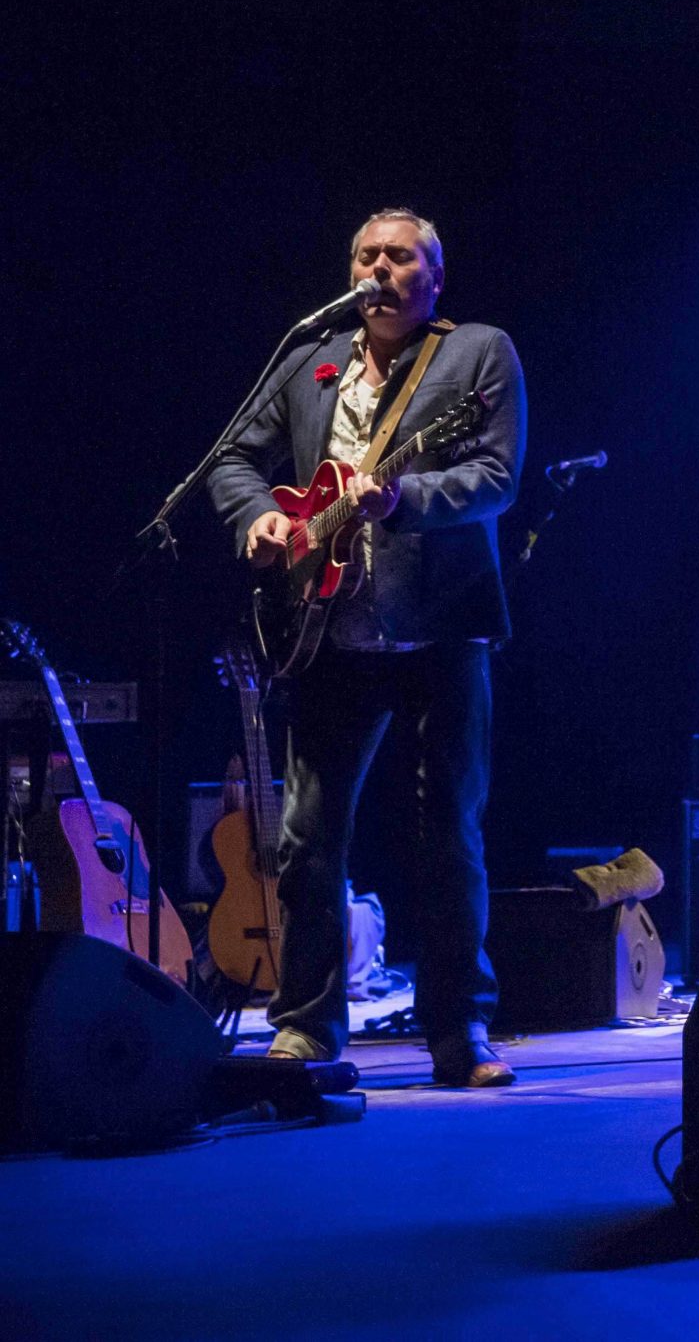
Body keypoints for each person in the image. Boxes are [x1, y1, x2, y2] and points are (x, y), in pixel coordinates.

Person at [210, 209, 526, 1086]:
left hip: (442, 625)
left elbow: (497, 475)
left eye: (400, 256)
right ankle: (307, 1026)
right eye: (366, 254)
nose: (379, 268)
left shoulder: (478, 353)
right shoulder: (312, 360)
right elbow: (234, 458)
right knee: (308, 835)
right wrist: (262, 517)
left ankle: (460, 1032)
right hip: (328, 627)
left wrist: (405, 499)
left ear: (434, 276)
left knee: (448, 834)